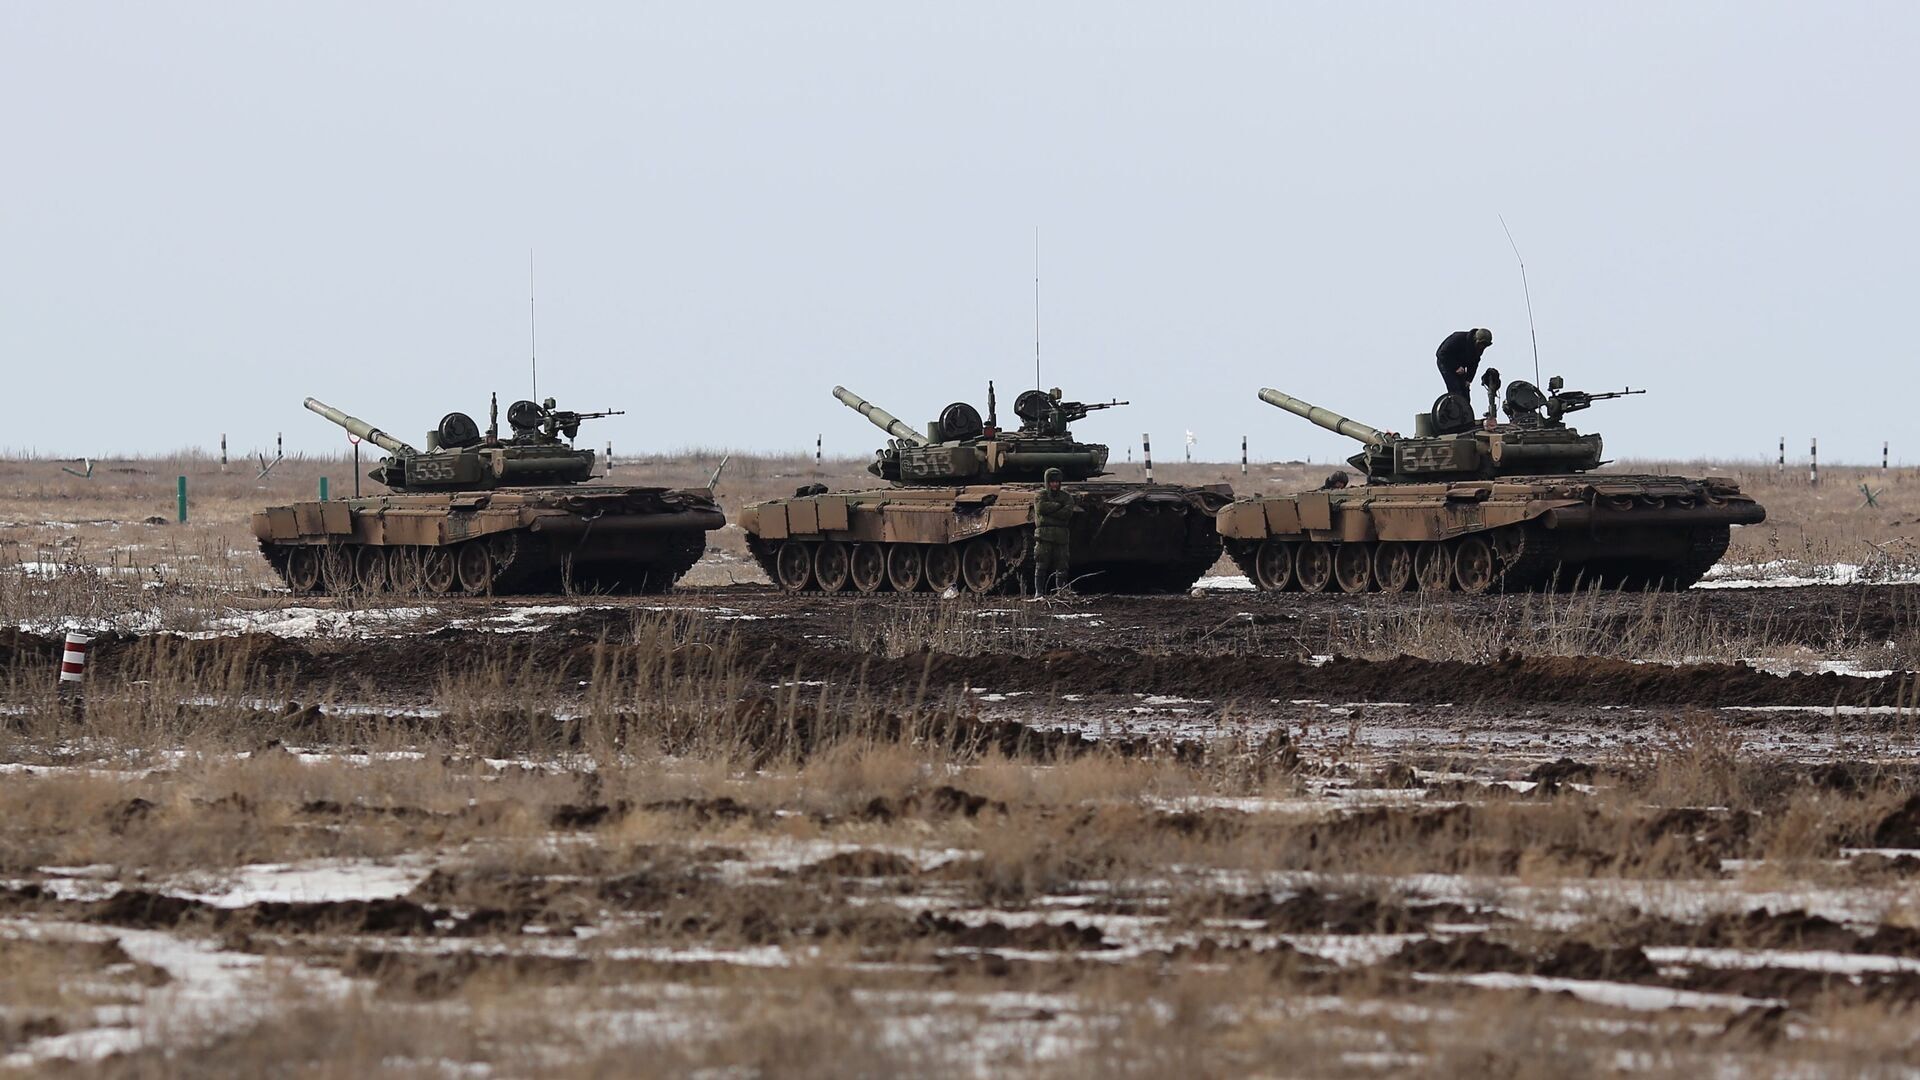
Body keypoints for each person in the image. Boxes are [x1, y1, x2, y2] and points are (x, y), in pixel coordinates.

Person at [1033, 467, 1075, 595]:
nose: (1055, 484)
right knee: (1041, 563)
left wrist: (1050, 513)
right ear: (1047, 482)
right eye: (1052, 482)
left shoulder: (1066, 496)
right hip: (1044, 536)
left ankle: (1060, 592)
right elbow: (1040, 508)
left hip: (1061, 536)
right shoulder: (1041, 495)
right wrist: (1058, 506)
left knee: (1062, 564)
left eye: (1057, 482)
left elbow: (1067, 513)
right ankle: (1039, 593)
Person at [1435, 329, 1493, 397]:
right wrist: (1456, 367)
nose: (1482, 346)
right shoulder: (1458, 338)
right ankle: (1453, 401)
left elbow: (1474, 365)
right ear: (1475, 340)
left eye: (1485, 345)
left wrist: (1468, 379)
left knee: (1465, 393)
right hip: (1445, 363)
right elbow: (1441, 353)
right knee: (1456, 389)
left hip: (1461, 368)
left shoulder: (1477, 350)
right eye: (1481, 343)